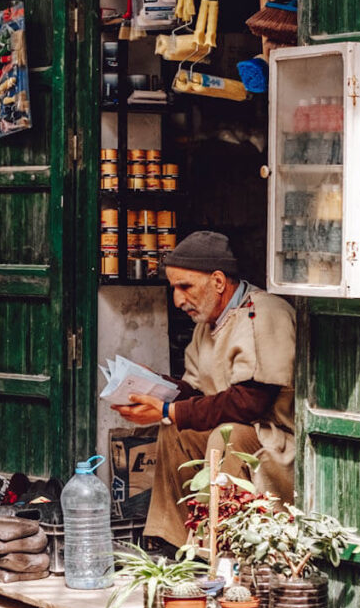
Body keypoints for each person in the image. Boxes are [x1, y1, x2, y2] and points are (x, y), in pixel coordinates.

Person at [113, 231, 296, 549]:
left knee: (228, 436)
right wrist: (157, 386)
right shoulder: (208, 325)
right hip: (235, 424)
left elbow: (249, 403)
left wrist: (171, 409)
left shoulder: (265, 313)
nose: (178, 300)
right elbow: (197, 392)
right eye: (174, 289)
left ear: (218, 282)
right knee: (175, 430)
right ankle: (173, 539)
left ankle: (222, 548)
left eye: (185, 287)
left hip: (278, 439)